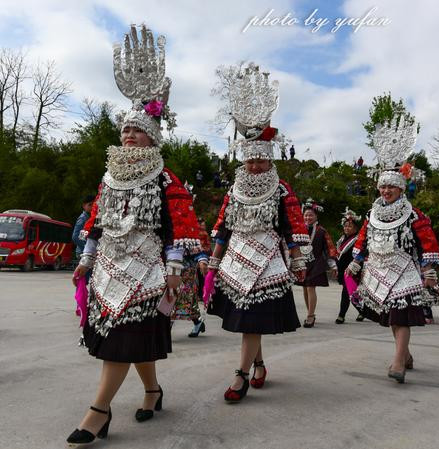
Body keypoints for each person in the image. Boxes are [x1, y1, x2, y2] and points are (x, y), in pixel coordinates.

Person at [66, 25, 202, 446]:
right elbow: (96, 224)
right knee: (130, 340)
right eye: (125, 129)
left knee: (122, 340)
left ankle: (98, 411)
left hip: (146, 271)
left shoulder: (165, 178)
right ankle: (153, 390)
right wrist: (86, 260)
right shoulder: (109, 177)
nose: (128, 135)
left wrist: (177, 266)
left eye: (136, 130)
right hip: (108, 267)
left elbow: (181, 226)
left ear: (153, 136)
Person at [207, 62, 309, 403]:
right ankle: (259, 364)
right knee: (250, 321)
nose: (254, 166)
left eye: (260, 162)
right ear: (243, 162)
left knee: (251, 321)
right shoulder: (233, 190)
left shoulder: (281, 189)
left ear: (269, 161)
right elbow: (223, 227)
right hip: (236, 260)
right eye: (249, 161)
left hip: (267, 261)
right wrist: (214, 259)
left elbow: (293, 227)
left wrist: (298, 260)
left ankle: (241, 375)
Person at [347, 116, 439, 383]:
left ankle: (398, 361)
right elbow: (364, 239)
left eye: (391, 186)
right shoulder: (372, 213)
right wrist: (357, 261)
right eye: (383, 186)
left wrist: (428, 270)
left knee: (401, 316)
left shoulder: (414, 215)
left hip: (404, 270)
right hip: (378, 269)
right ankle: (405, 354)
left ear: (401, 188)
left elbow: (427, 244)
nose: (387, 190)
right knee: (391, 317)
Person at [298, 198, 338, 327]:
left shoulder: (321, 231)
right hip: (303, 263)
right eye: (306, 215)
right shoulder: (299, 230)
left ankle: (310, 316)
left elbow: (330, 248)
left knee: (310, 287)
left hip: (316, 263)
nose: (308, 217)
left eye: (311, 215)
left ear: (316, 216)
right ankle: (310, 312)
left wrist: (333, 264)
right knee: (305, 287)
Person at [335, 207, 361, 324]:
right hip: (342, 269)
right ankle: (362, 310)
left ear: (355, 228)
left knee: (347, 291)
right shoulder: (341, 239)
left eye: (350, 226)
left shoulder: (358, 240)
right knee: (352, 291)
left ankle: (341, 315)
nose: (347, 228)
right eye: (345, 226)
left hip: (353, 270)